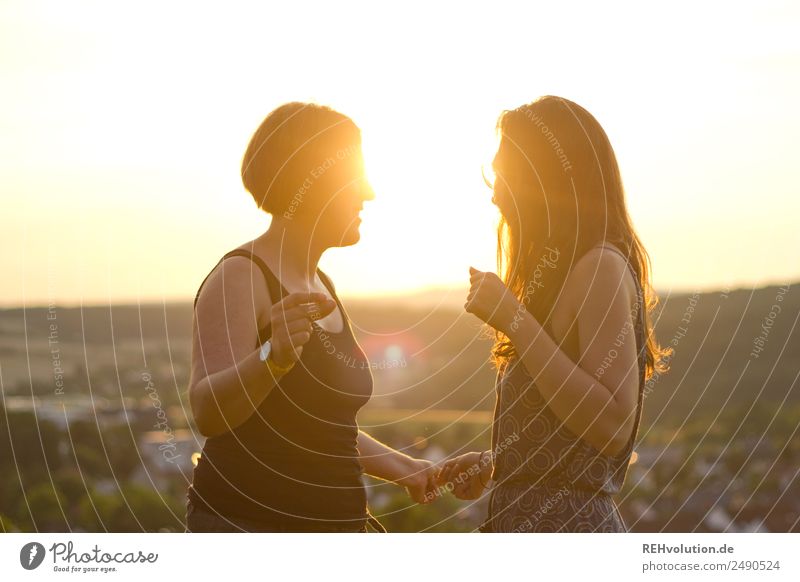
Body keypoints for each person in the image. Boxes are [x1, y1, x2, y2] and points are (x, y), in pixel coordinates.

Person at [186, 102, 437, 532]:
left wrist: (409, 468)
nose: (370, 192)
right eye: (357, 177)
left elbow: (324, 429)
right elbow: (208, 413)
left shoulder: (323, 284)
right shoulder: (242, 277)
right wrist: (272, 357)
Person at [437, 96, 670, 532]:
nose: (494, 194)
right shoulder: (566, 275)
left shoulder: (599, 267)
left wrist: (515, 320)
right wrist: (500, 462)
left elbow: (612, 424)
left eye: (504, 174)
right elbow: (568, 421)